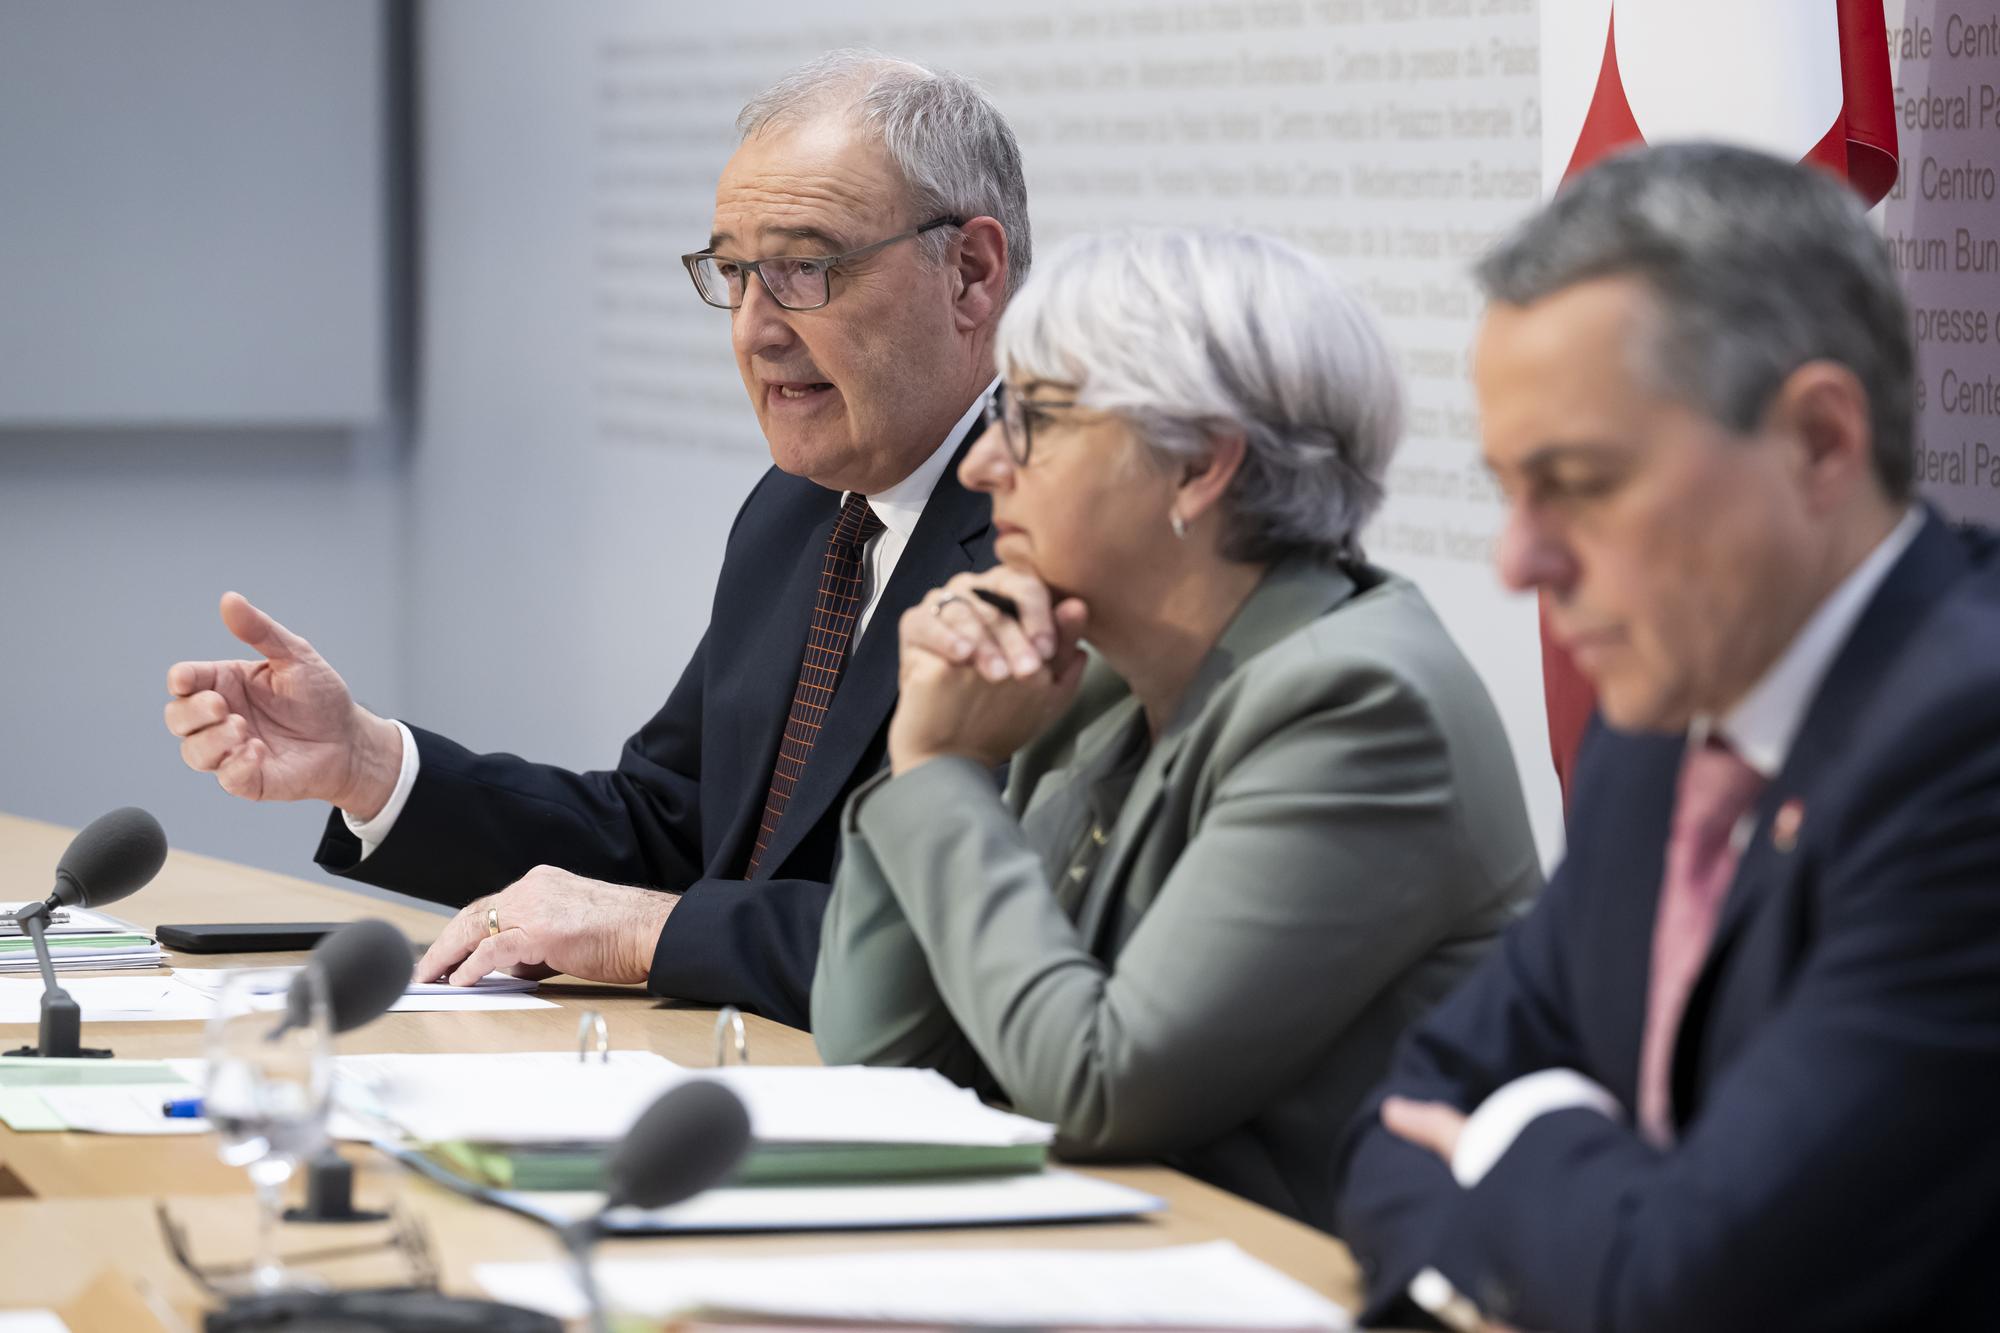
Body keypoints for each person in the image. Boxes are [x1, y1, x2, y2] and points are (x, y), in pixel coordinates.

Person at [161, 52, 1028, 1027]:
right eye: (735, 273)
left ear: (969, 273)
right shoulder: (794, 512)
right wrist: (370, 764)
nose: (754, 329)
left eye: (804, 269)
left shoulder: (1050, 551)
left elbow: (971, 944)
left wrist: (653, 933)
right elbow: (667, 830)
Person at [1332, 143, 2000, 1332]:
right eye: (1506, 491)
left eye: (1579, 484)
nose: (1518, 562)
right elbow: (1396, 1125)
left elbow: (1696, 1289)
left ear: (1818, 442)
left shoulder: (1965, 749)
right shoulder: (1663, 733)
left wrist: (1516, 1135)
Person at [810, 228, 1541, 1233]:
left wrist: (939, 770)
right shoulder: (1090, 669)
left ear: (1198, 464)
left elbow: (1099, 1086)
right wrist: (947, 763)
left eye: (1031, 419)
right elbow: (880, 1061)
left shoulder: (1359, 704)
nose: (981, 465)